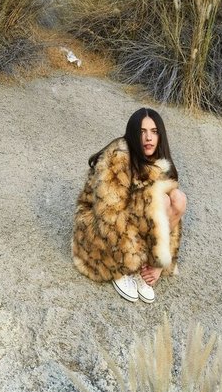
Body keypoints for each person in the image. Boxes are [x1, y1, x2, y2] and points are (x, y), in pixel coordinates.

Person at [72, 108, 187, 303]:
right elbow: (109, 215)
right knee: (158, 200)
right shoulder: (118, 157)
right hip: (99, 229)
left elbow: (166, 219)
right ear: (133, 134)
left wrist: (158, 263)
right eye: (142, 132)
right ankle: (122, 269)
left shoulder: (158, 162)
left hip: (131, 225)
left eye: (154, 132)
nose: (148, 138)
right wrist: (129, 261)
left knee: (177, 198)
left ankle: (147, 266)